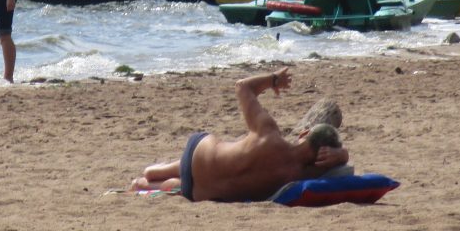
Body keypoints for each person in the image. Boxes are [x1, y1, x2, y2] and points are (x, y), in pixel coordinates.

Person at [128, 67, 349, 202]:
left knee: (177, 167)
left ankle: (152, 173)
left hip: (198, 154)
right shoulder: (297, 177)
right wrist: (342, 155)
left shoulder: (269, 134)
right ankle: (146, 185)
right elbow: (341, 171)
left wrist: (274, 80)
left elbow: (242, 87)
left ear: (304, 132)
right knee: (179, 182)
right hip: (198, 192)